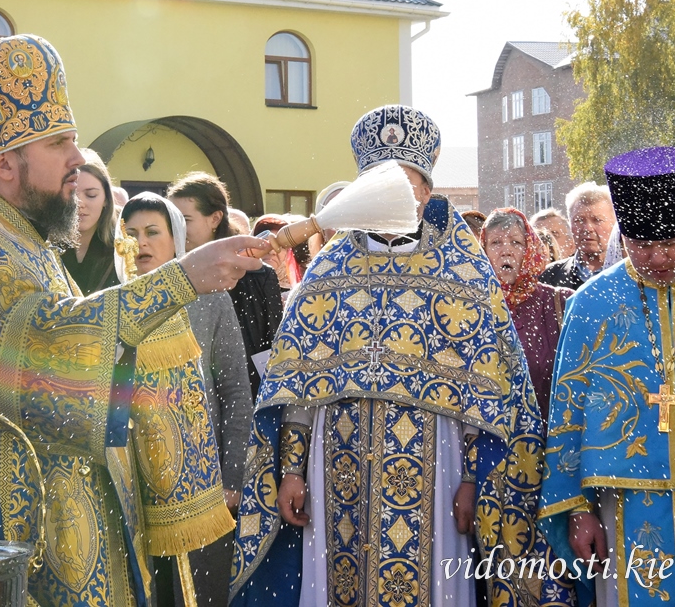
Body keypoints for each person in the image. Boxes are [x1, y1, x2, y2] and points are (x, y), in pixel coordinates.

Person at [0, 32, 267, 607]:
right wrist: (183, 278)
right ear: (5, 162)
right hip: (3, 519)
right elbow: (52, 340)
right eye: (60, 144)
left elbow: (95, 357)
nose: (78, 159)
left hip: (64, 505)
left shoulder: (24, 235)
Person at [230, 105, 567, 607]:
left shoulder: (462, 272)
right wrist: (294, 469)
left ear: (428, 193)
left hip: (440, 466)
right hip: (334, 465)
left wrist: (475, 480)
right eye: (382, 182)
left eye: (409, 184)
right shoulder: (329, 271)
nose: (396, 194)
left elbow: (488, 395)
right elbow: (299, 386)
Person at [541, 147, 675, 607]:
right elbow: (568, 414)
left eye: (671, 244)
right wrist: (577, 510)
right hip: (628, 510)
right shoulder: (592, 304)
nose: (657, 258)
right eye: (642, 247)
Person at [122, 193, 253, 607]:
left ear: (175, 239)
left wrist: (231, 479)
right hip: (131, 486)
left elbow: (234, 391)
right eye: (129, 234)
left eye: (151, 232)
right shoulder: (110, 303)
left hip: (200, 485)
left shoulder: (210, 298)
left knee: (196, 592)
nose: (139, 243)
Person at [170, 172, 284, 398]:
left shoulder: (256, 275)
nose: (176, 230)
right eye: (172, 221)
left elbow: (272, 349)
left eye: (184, 220)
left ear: (214, 219)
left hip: (245, 396)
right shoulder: (169, 273)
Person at [480, 208, 573, 418]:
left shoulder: (561, 302)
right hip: (493, 439)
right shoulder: (471, 306)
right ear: (482, 250)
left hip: (549, 437)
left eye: (516, 242)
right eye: (495, 243)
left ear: (530, 248)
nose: (506, 251)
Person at [60, 148, 121, 294]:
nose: (80, 203)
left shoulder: (123, 248)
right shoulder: (45, 246)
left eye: (91, 195)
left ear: (106, 198)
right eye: (72, 194)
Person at [540, 182, 616, 289]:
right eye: (579, 220)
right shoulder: (548, 278)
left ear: (615, 224)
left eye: (597, 220)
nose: (587, 228)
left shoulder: (633, 276)